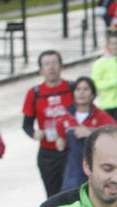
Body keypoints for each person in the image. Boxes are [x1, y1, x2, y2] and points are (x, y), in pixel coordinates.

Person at [23, 50, 73, 198]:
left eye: (54, 63)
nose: (51, 68)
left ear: (61, 66)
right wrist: (34, 133)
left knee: (72, 194)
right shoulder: (35, 93)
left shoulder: (72, 88)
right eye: (46, 64)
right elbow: (26, 124)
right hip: (48, 153)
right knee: (53, 197)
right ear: (41, 70)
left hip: (71, 150)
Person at [56, 77, 117, 193]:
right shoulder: (65, 117)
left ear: (93, 94)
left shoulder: (101, 116)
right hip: (73, 174)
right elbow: (60, 138)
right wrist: (60, 142)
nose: (81, 93)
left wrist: (92, 133)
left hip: (96, 173)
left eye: (86, 89)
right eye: (78, 89)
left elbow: (116, 137)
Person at [92, 31, 117, 126]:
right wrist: (112, 83)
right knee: (107, 129)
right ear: (108, 45)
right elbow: (96, 83)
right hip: (106, 103)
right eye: (112, 43)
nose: (115, 46)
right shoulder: (100, 63)